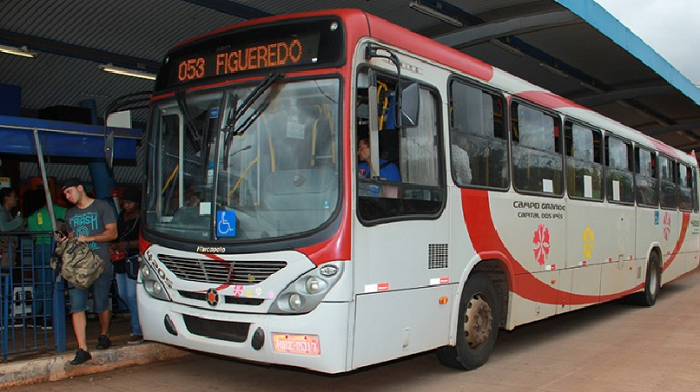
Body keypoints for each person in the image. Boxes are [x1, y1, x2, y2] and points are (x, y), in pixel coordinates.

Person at [61, 178, 117, 365]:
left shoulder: (102, 207)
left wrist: (89, 238)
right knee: (77, 305)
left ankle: (104, 334)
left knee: (101, 303)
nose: (67, 197)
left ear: (79, 188)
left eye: (69, 192)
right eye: (65, 194)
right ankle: (82, 348)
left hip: (99, 262)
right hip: (78, 266)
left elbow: (113, 233)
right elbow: (71, 238)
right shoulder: (70, 214)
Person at [27, 190, 67, 327]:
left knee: (41, 285)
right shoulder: (52, 209)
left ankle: (34, 316)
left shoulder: (31, 217)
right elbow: (69, 214)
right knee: (52, 284)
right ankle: (49, 317)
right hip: (51, 248)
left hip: (38, 249)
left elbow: (31, 235)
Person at [110, 187, 143, 344]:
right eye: (125, 202)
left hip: (133, 259)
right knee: (123, 294)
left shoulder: (142, 219)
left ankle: (137, 329)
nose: (126, 205)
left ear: (137, 204)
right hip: (120, 259)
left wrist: (127, 244)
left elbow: (145, 241)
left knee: (131, 294)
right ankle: (141, 321)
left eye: (130, 203)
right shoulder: (121, 216)